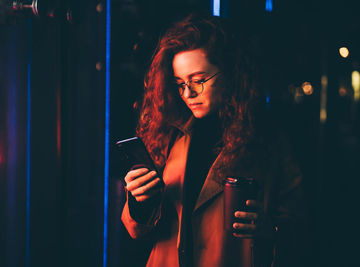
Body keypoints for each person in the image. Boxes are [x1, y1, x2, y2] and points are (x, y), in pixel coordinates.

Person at [121, 14, 307, 267]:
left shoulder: (269, 142)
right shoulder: (167, 133)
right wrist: (139, 202)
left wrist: (269, 229)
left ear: (231, 73)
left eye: (198, 80)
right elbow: (137, 231)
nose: (188, 93)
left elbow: (300, 228)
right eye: (179, 83)